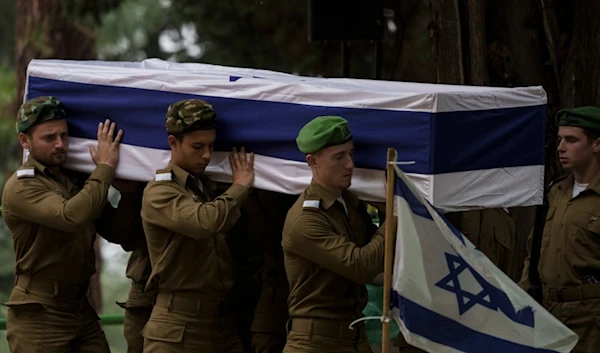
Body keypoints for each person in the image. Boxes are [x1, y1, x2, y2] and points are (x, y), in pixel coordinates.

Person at [1, 96, 126, 352]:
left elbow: (122, 234)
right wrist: (104, 169)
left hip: (80, 308)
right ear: (25, 141)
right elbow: (71, 217)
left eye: (64, 136)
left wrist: (131, 192)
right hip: (40, 315)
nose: (60, 144)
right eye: (49, 138)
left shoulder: (76, 180)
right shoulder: (22, 186)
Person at [140, 98, 254, 352]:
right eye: (197, 146)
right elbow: (205, 222)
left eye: (212, 146)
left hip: (221, 323)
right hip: (178, 327)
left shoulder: (208, 187)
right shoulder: (160, 192)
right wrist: (241, 186)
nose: (206, 155)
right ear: (173, 142)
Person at [282, 115, 388, 353]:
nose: (350, 165)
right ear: (313, 161)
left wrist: (385, 216)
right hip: (315, 343)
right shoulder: (305, 219)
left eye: (351, 154)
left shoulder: (348, 205)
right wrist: (395, 215)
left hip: (353, 337)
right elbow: (362, 266)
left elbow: (379, 256)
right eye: (339, 157)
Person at [519, 106, 600, 353]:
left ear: (596, 144)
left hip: (591, 321)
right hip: (549, 315)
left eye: (571, 140)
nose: (560, 147)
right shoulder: (555, 193)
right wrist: (524, 298)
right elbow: (534, 253)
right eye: (559, 139)